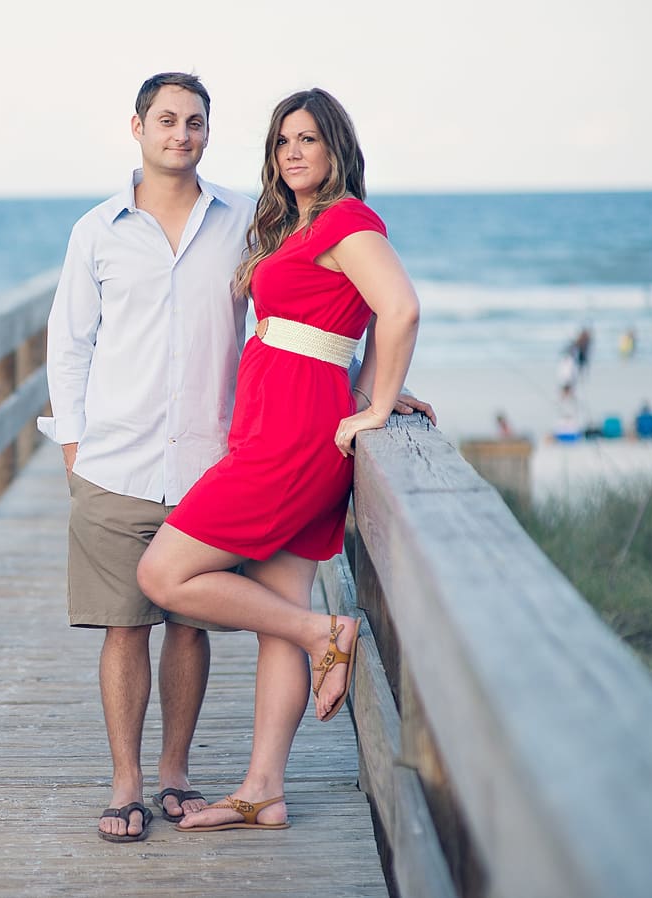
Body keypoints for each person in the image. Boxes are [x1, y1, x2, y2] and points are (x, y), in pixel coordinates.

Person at [136, 87, 433, 833]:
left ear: (336, 148)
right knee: (278, 611)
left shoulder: (346, 221)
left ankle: (322, 636)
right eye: (282, 142)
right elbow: (339, 326)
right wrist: (368, 386)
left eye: (308, 139)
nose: (293, 152)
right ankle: (264, 788)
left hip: (296, 439)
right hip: (275, 424)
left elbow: (399, 309)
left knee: (164, 574)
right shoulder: (292, 225)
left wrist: (376, 399)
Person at [38, 72, 254, 843]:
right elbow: (69, 344)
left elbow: (301, 304)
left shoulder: (243, 222)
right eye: (167, 120)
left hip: (210, 464)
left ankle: (174, 773)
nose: (182, 133)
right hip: (115, 465)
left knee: (189, 625)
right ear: (136, 127)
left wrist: (375, 383)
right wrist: (73, 448)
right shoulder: (96, 231)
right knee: (123, 627)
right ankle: (125, 781)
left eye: (195, 121)